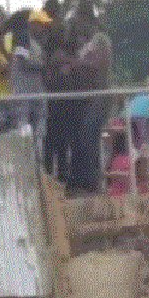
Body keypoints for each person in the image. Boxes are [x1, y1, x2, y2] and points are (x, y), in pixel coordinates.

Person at [66, 14, 113, 195]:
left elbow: (98, 62)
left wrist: (75, 63)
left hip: (101, 95)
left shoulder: (101, 40)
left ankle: (92, 180)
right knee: (86, 137)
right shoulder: (89, 44)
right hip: (91, 97)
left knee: (90, 136)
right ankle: (85, 178)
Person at [5, 9, 50, 139]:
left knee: (39, 125)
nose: (43, 28)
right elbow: (21, 61)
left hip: (34, 91)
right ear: (33, 24)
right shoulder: (23, 38)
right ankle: (28, 156)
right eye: (40, 24)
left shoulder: (35, 42)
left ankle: (37, 156)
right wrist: (42, 67)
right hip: (24, 91)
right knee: (24, 127)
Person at [41, 0, 73, 179]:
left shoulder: (55, 31)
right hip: (58, 89)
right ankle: (59, 176)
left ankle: (53, 175)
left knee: (52, 139)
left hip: (55, 89)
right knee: (58, 139)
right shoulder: (61, 29)